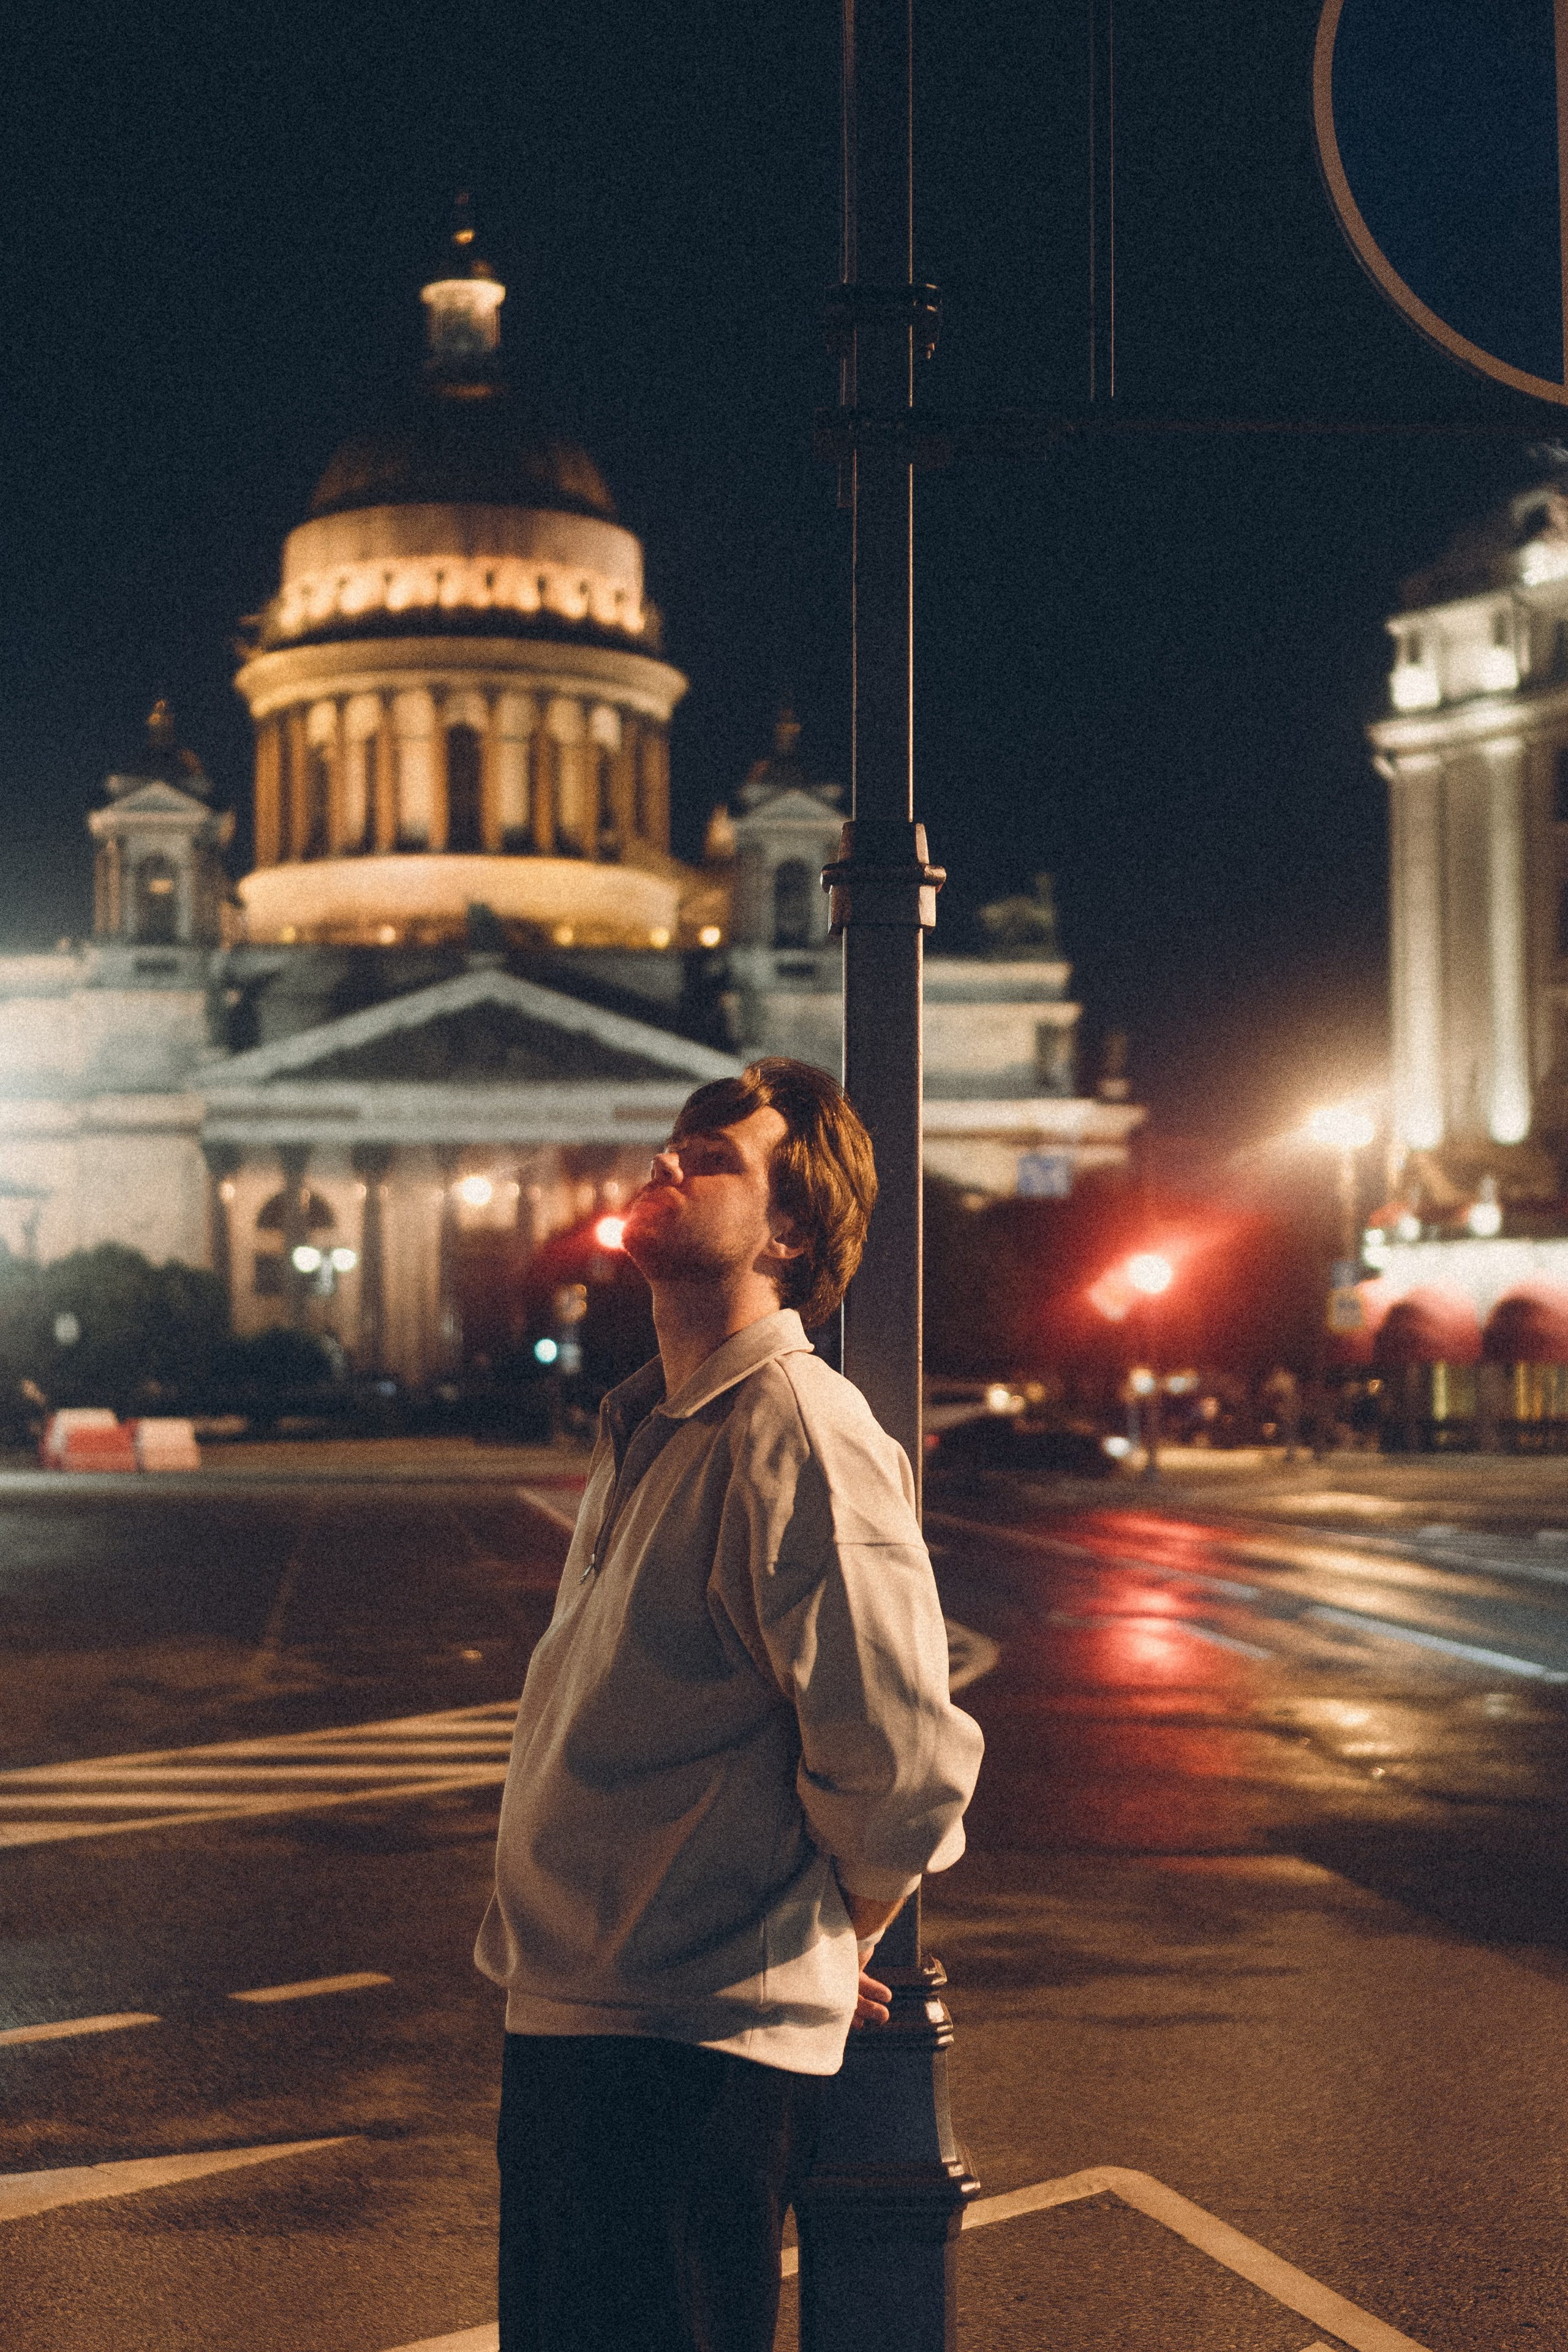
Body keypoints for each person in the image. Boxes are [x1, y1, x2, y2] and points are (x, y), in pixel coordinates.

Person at [475, 1056, 984, 2352]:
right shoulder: (655, 1423)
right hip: (577, 2024)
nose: (665, 1162)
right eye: (670, 1143)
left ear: (789, 1230)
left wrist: (824, 1937)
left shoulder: (796, 1432)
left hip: (678, 2059)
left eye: (710, 1157)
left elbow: (904, 1762)